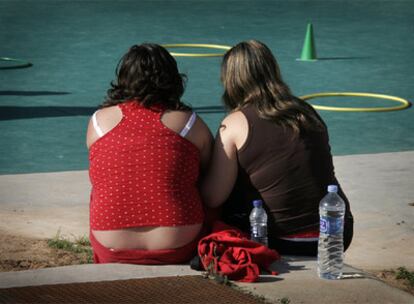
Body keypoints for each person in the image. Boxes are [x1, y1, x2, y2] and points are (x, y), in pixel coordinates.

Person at [201, 40, 353, 256]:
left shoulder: (234, 123)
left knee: (229, 194)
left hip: (281, 238)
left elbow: (213, 197)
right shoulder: (306, 110)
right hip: (336, 232)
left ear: (231, 80)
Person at [86, 43, 213, 264]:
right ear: (173, 79)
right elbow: (209, 170)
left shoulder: (98, 122)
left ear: (124, 78)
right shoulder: (190, 123)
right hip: (178, 243)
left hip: (112, 246)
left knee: (107, 180)